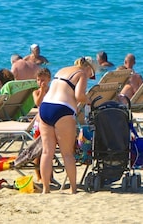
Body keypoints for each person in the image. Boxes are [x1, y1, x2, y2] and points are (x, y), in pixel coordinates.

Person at [39, 56, 95, 194]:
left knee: (47, 152)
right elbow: (79, 96)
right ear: (88, 68)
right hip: (62, 109)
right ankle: (73, 189)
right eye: (92, 74)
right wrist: (89, 101)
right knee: (67, 153)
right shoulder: (81, 73)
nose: (90, 77)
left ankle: (46, 189)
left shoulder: (62, 70)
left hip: (45, 107)